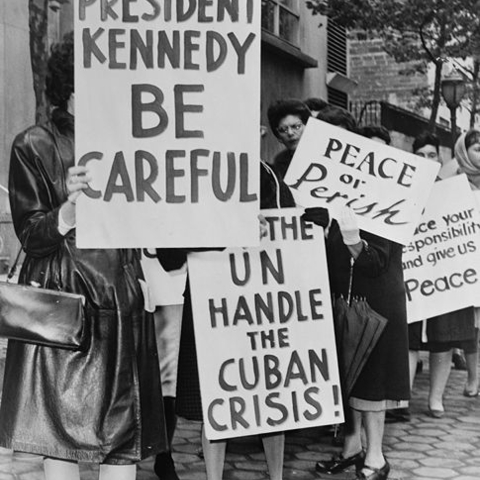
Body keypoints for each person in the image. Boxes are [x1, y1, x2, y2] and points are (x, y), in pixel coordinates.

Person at [0, 33, 167, 480]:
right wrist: (69, 210)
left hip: (120, 298)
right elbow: (32, 235)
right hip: (63, 303)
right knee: (59, 434)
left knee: (120, 438)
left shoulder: (134, 138)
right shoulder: (33, 144)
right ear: (74, 84)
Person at [157, 160, 297, 480]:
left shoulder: (266, 175)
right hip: (212, 303)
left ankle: (276, 477)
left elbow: (290, 231)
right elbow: (169, 255)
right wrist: (226, 236)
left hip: (261, 302)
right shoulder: (188, 177)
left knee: (269, 391)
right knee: (215, 396)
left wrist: (316, 223)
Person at [315, 117, 410, 480]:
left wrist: (350, 233)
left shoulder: (392, 202)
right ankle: (354, 448)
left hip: (376, 303)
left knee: (372, 380)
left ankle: (376, 457)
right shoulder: (337, 195)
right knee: (350, 377)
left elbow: (375, 261)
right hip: (345, 298)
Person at [406, 132, 478, 421]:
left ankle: (436, 399)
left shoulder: (451, 188)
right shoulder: (403, 187)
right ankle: (403, 397)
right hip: (414, 276)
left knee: (443, 339)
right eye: (421, 155)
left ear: (440, 158)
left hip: (447, 275)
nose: (427, 160)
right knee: (409, 340)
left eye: (432, 155)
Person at [267, 99, 311, 180]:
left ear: (309, 126)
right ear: (279, 138)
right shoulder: (280, 162)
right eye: (283, 130)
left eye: (296, 126)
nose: (290, 133)